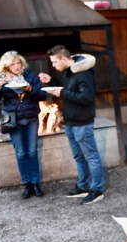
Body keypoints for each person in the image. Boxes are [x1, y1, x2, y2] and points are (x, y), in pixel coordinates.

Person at [39, 46, 105, 205]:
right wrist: (53, 82)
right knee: (79, 156)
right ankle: (83, 186)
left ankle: (97, 190)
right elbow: (69, 88)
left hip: (82, 123)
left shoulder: (83, 73)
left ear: (63, 59)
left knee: (92, 157)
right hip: (70, 121)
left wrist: (61, 92)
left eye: (55, 62)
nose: (53, 65)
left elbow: (86, 98)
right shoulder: (70, 71)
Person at [0, 51, 48, 199]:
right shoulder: (1, 78)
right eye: (12, 64)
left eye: (18, 63)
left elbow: (43, 95)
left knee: (32, 152)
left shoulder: (29, 75)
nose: (16, 66)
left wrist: (31, 89)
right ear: (6, 65)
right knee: (21, 153)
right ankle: (27, 184)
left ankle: (36, 183)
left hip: (31, 118)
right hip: (14, 120)